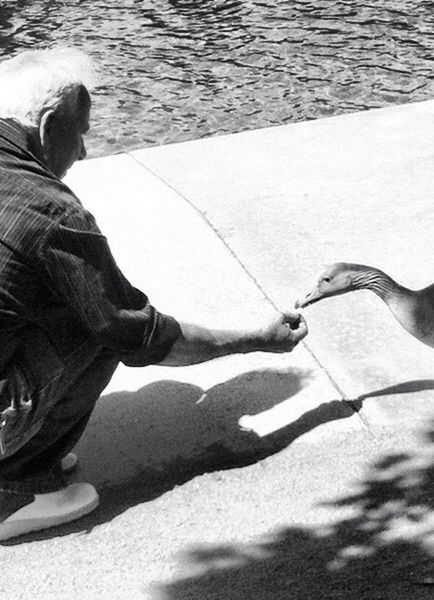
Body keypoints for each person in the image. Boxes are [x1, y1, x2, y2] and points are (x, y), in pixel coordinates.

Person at [0, 47, 308, 541]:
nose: (83, 152)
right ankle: (15, 489)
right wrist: (256, 338)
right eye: (80, 133)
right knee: (99, 319)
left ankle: (26, 445)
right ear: (48, 124)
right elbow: (140, 334)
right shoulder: (50, 211)